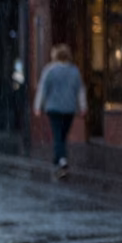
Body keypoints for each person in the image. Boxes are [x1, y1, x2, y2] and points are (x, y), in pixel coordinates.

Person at [34, 44, 86, 180]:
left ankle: (60, 159)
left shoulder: (49, 70)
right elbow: (80, 90)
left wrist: (37, 106)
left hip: (54, 108)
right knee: (62, 134)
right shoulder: (74, 71)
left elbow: (42, 89)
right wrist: (83, 107)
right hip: (69, 108)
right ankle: (60, 158)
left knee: (58, 135)